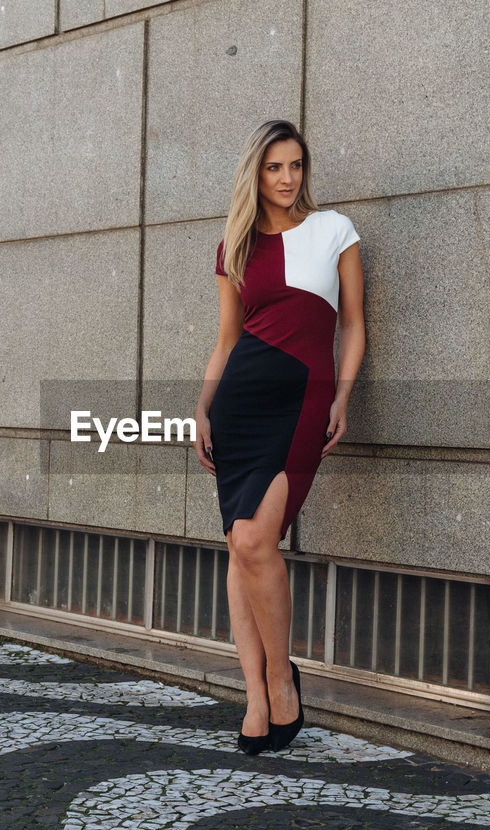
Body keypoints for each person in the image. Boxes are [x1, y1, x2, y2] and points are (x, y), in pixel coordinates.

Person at [194, 119, 365, 754]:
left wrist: (343, 395)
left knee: (256, 539)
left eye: (295, 166)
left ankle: (281, 680)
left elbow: (353, 326)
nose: (288, 178)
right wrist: (202, 408)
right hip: (240, 400)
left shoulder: (335, 231)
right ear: (256, 174)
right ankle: (257, 698)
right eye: (274, 168)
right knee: (240, 547)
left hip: (302, 395)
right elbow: (226, 340)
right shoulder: (234, 247)